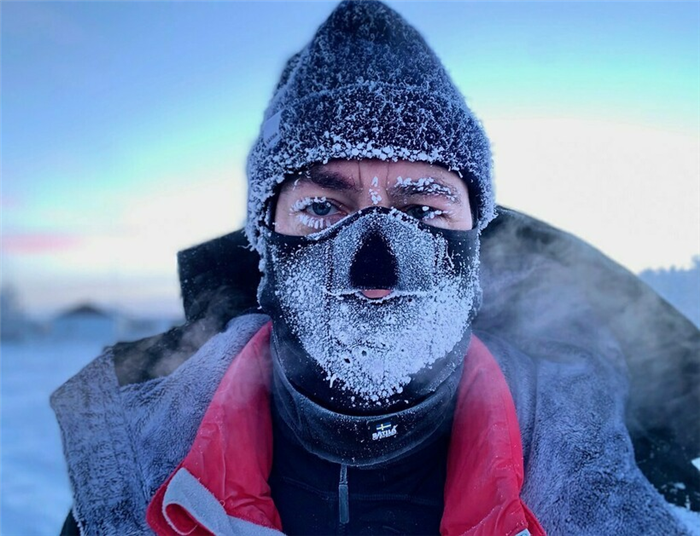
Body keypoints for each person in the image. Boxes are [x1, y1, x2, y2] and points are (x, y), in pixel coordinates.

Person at [53, 0, 699, 534]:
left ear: (476, 240)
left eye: (423, 205)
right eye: (322, 207)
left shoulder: (605, 480)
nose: (376, 260)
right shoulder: (128, 482)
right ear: (265, 243)